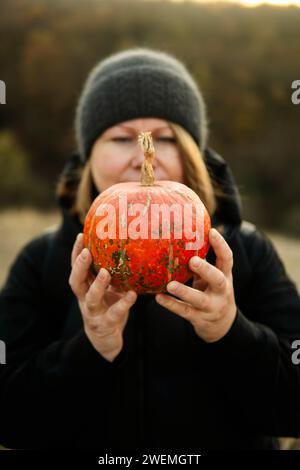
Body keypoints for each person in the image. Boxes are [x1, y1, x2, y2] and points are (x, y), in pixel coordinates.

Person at [1, 47, 300, 451]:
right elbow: (12, 420)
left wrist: (230, 331)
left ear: (192, 151)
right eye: (122, 138)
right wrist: (90, 349)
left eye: (165, 138)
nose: (146, 154)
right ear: (90, 154)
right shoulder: (42, 262)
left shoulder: (247, 252)